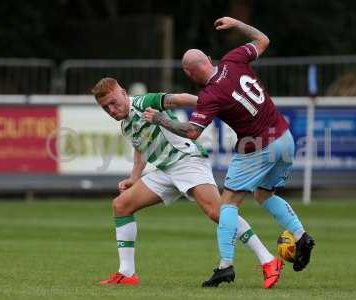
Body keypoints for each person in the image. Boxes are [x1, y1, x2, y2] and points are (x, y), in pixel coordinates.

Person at [143, 16, 315, 287]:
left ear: (189, 74)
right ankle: (301, 236)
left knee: (227, 206)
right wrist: (237, 24)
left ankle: (225, 266)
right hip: (285, 137)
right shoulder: (233, 59)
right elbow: (263, 40)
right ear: (210, 59)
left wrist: (161, 119)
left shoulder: (211, 96)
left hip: (258, 146)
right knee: (264, 194)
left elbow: (192, 132)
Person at [91, 77, 283, 288]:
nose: (110, 109)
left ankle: (269, 260)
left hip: (187, 162)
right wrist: (134, 177)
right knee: (121, 205)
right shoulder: (126, 124)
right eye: (105, 107)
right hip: (166, 171)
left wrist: (209, 104)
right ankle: (126, 273)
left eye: (113, 102)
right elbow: (140, 148)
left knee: (218, 212)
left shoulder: (143, 102)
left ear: (124, 93)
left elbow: (177, 99)